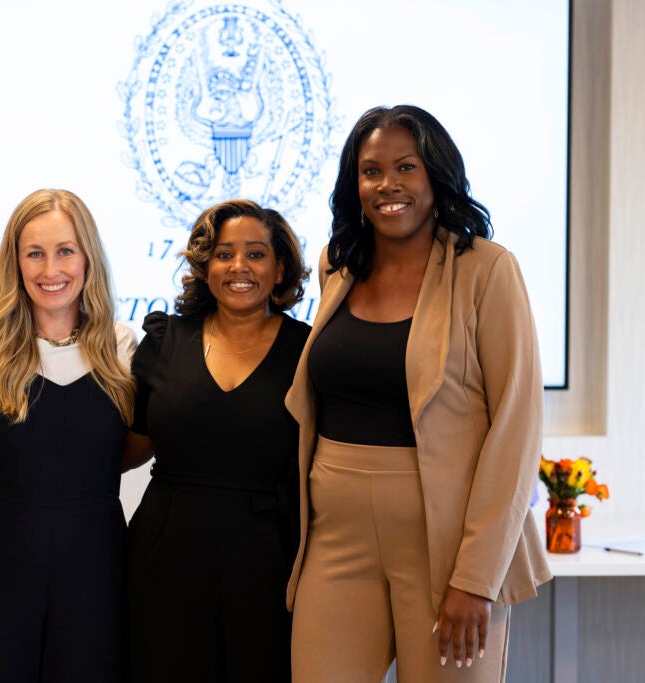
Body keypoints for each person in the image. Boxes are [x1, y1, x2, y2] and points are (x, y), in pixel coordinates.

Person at [286, 105, 552, 682]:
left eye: (405, 167)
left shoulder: (487, 269)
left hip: (447, 547)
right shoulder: (339, 264)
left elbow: (516, 427)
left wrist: (476, 579)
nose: (388, 185)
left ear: (436, 174)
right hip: (336, 538)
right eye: (371, 170)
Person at [0, 189, 137, 682]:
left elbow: (124, 452)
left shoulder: (123, 346)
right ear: (14, 262)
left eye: (65, 251)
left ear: (88, 257)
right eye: (34, 253)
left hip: (97, 566)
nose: (50, 269)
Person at [125, 199, 311, 682]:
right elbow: (131, 444)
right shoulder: (166, 339)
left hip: (268, 562)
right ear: (205, 266)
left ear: (280, 268)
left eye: (256, 254)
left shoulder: (309, 352)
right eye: (225, 254)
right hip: (164, 555)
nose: (239, 267)